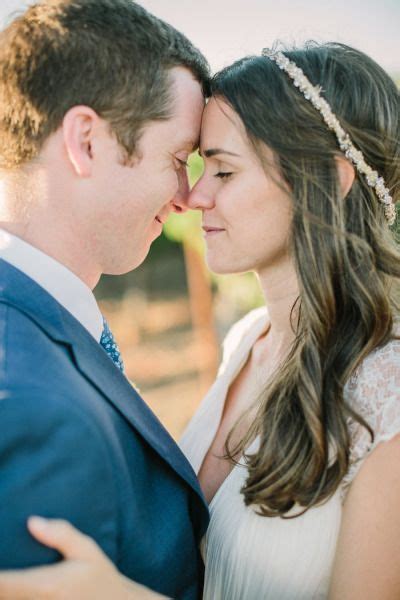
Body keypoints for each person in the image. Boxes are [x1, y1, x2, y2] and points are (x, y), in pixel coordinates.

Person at [1, 41, 400, 600]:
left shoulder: (389, 396)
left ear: (328, 181)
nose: (194, 197)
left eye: (224, 171)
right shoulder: (246, 342)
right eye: (196, 166)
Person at [0, 1, 211, 598]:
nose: (186, 197)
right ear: (86, 141)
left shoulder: (41, 322)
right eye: (177, 160)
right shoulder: (33, 410)